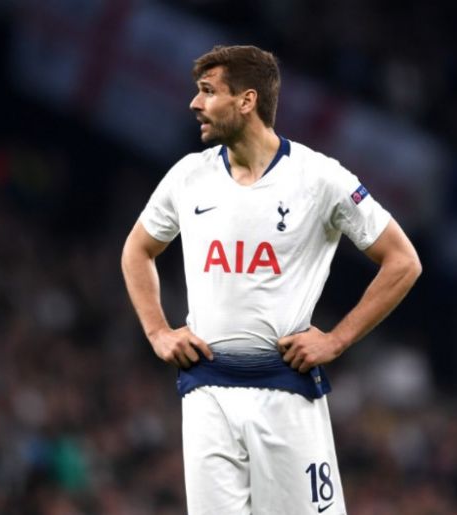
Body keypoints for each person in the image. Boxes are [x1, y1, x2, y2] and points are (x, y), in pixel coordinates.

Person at [121, 44, 421, 515]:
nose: (194, 104)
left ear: (247, 101)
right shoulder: (187, 177)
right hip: (207, 392)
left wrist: (337, 340)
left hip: (285, 392)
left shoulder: (320, 178)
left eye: (207, 91)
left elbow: (403, 261)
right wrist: (158, 331)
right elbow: (137, 250)